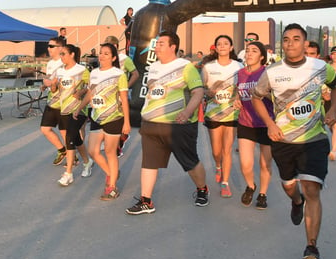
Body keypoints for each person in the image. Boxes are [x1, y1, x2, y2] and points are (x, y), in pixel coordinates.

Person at [251, 23, 336, 259]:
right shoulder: (272, 71)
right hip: (283, 140)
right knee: (290, 186)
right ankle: (296, 201)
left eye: (295, 38)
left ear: (305, 43)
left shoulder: (320, 67)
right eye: (286, 39)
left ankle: (312, 247)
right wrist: (270, 124)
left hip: (314, 139)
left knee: (312, 189)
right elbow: (257, 97)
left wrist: (332, 109)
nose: (290, 43)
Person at [126, 31, 209, 215]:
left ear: (173, 47)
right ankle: (146, 200)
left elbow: (198, 92)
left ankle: (202, 189)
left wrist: (187, 112)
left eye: (161, 43)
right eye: (157, 43)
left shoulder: (185, 67)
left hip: (178, 126)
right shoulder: (153, 67)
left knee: (190, 162)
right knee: (148, 163)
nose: (157, 46)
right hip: (151, 125)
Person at [74, 43, 130, 200]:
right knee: (93, 151)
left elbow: (124, 99)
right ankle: (112, 173)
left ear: (113, 57)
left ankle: (112, 187)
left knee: (111, 152)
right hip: (97, 117)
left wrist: (127, 122)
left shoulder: (119, 74)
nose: (102, 56)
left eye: (106, 53)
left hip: (114, 117)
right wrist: (80, 108)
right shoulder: (94, 73)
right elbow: (90, 93)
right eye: (101, 53)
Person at [201, 35, 243, 198]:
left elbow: (243, 86)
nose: (223, 46)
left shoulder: (239, 66)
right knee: (216, 150)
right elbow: (200, 88)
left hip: (233, 112)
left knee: (227, 149)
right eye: (219, 44)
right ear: (216, 48)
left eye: (226, 43)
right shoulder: (208, 67)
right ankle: (218, 165)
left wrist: (239, 97)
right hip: (213, 112)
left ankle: (225, 182)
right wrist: (208, 92)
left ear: (231, 47)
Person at [234, 41, 273, 209]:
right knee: (245, 165)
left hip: (266, 124)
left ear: (262, 56)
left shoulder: (268, 73)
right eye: (247, 51)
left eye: (254, 51)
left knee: (265, 164)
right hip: (245, 122)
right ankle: (251, 186)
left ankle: (262, 194)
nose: (249, 54)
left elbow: (276, 99)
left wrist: (259, 94)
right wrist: (237, 98)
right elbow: (238, 90)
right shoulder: (240, 73)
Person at [53, 44, 93, 186]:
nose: (61, 57)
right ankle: (87, 162)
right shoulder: (60, 71)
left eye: (63, 54)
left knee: (69, 137)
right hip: (64, 109)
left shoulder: (82, 70)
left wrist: (81, 92)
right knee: (75, 139)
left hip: (79, 109)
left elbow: (91, 88)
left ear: (72, 55)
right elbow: (55, 90)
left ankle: (68, 173)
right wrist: (51, 84)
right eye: (60, 54)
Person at [104, 35, 139, 156]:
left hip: (121, 96)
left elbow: (135, 74)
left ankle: (117, 145)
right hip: (108, 96)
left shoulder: (125, 59)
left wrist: (126, 86)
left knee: (118, 120)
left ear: (115, 46)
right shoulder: (105, 59)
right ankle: (116, 140)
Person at [40, 37, 67, 165]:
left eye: (51, 46)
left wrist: (51, 84)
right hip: (52, 102)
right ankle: (62, 150)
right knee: (45, 129)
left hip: (64, 102)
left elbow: (65, 84)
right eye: (48, 46)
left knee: (64, 131)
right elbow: (49, 79)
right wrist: (45, 85)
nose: (48, 48)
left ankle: (74, 156)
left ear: (60, 48)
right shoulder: (50, 63)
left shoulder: (65, 63)